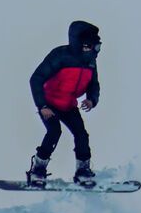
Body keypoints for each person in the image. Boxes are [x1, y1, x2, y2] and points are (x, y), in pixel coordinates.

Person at [28, 20, 101, 187]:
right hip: (49, 103)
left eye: (97, 47)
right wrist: (42, 106)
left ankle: (83, 171)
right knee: (54, 131)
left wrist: (91, 99)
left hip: (68, 105)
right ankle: (38, 170)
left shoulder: (90, 62)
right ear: (82, 45)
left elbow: (93, 84)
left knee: (81, 135)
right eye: (92, 46)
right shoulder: (60, 55)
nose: (95, 51)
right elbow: (36, 78)